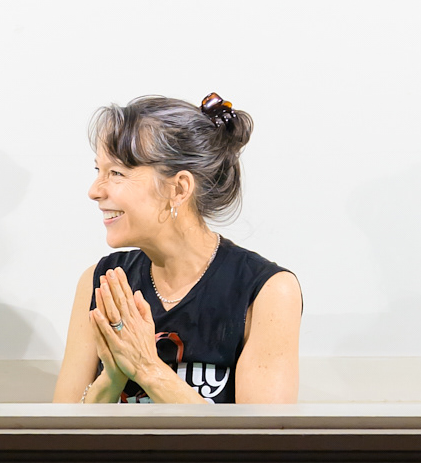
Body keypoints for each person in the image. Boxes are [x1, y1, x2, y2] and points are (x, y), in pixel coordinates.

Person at [52, 92, 301, 405]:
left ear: (179, 188)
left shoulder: (267, 291)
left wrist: (147, 369)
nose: (94, 191)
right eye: (97, 171)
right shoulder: (101, 282)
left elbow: (262, 434)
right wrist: (111, 379)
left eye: (116, 173)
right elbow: (63, 428)